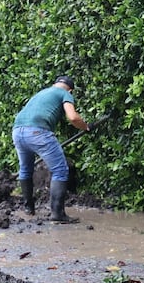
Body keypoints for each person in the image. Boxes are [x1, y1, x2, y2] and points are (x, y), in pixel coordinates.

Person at [12, 75, 92, 223]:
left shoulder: (42, 93)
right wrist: (86, 126)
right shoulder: (65, 94)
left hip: (17, 131)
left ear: (55, 84)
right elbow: (73, 117)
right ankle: (58, 214)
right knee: (60, 170)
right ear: (71, 90)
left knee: (25, 170)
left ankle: (28, 208)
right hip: (38, 132)